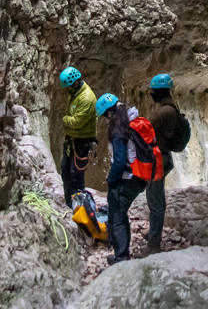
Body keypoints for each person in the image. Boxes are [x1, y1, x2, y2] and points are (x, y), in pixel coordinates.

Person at [96, 93, 148, 265]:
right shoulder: (129, 118)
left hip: (129, 177)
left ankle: (121, 259)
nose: (105, 120)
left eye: (105, 116)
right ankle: (122, 253)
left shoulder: (118, 128)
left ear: (109, 113)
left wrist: (111, 179)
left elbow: (119, 161)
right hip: (139, 175)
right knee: (121, 213)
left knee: (117, 215)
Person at [145, 73, 181, 254]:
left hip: (158, 160)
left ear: (159, 91)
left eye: (153, 91)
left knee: (155, 201)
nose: (152, 94)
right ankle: (154, 235)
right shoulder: (171, 108)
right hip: (163, 158)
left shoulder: (163, 112)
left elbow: (146, 131)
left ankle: (153, 245)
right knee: (155, 197)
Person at [59, 66, 97, 207]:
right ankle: (70, 204)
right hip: (73, 140)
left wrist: (65, 119)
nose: (66, 90)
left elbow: (77, 122)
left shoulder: (86, 98)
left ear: (75, 83)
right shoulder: (76, 93)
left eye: (68, 87)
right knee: (65, 171)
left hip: (82, 142)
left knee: (76, 176)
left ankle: (80, 207)